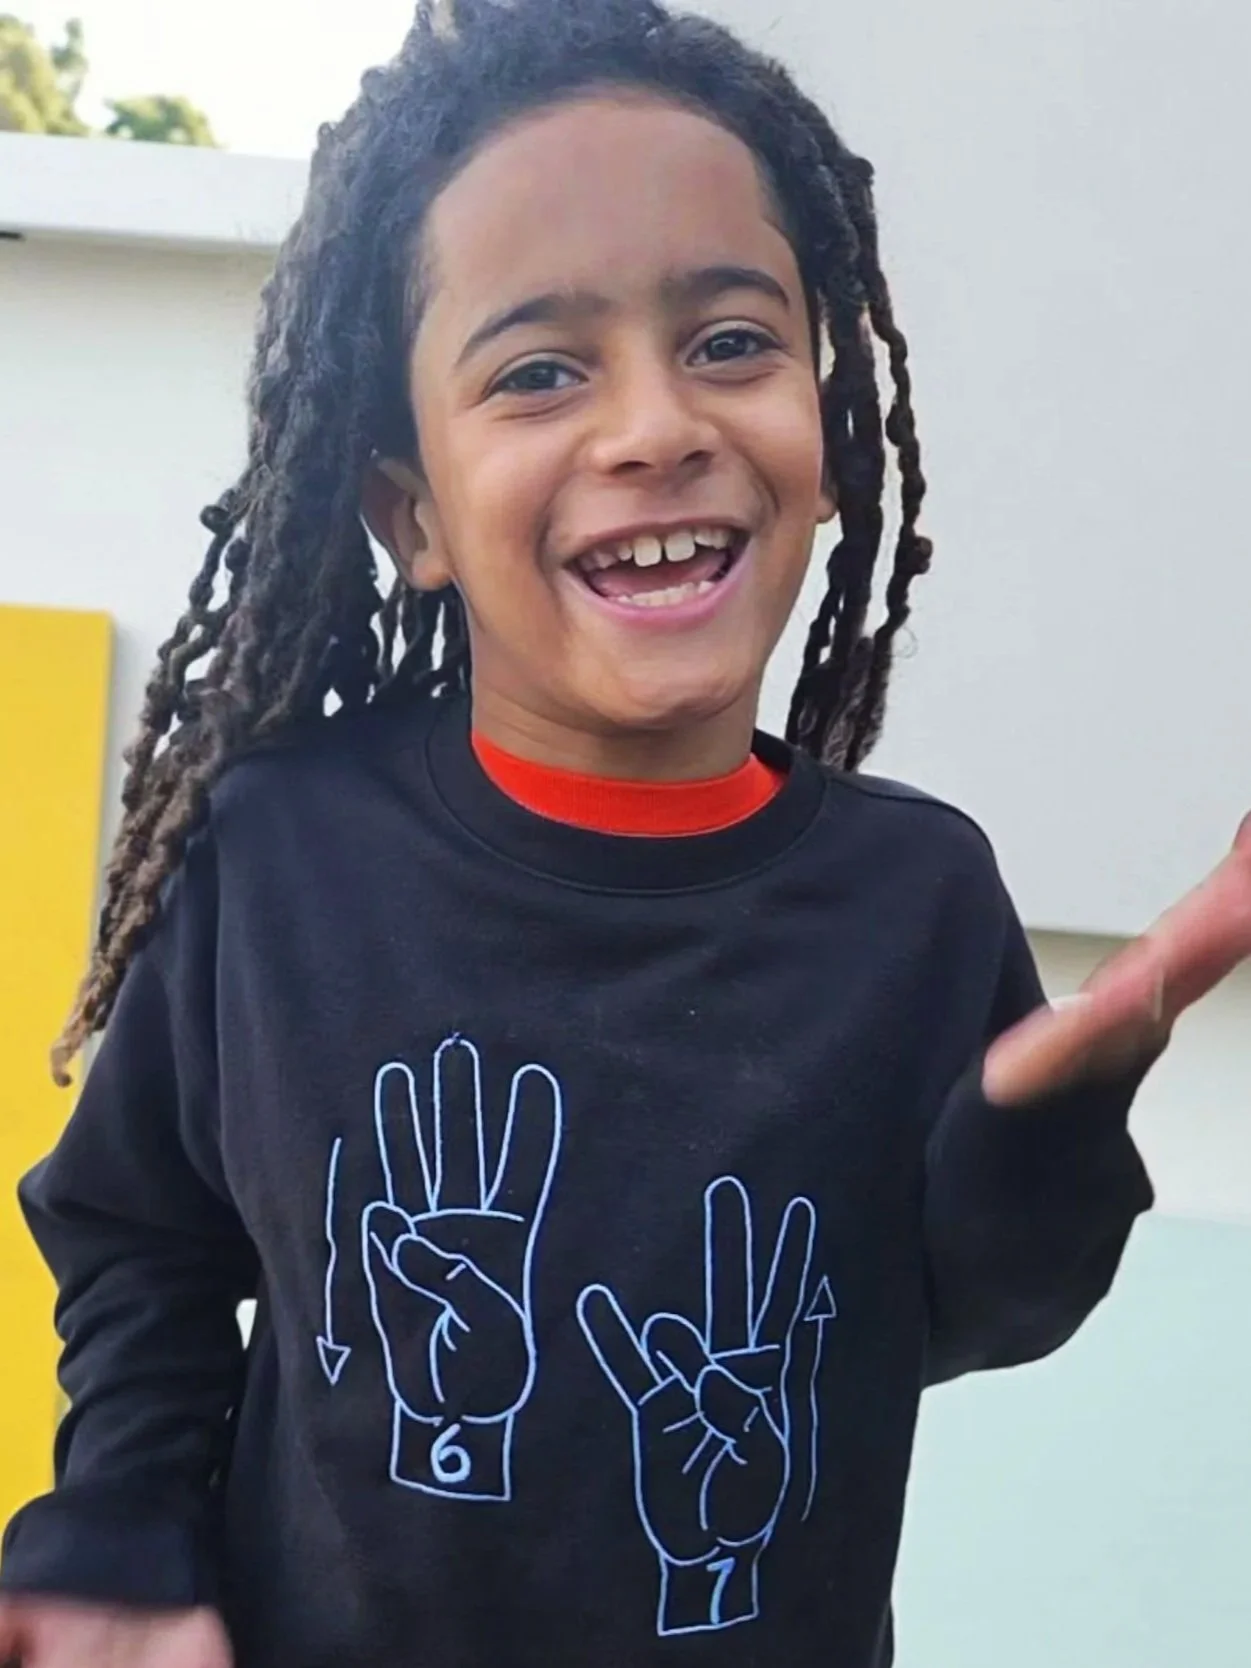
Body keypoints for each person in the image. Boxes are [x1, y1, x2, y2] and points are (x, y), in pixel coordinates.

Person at [2, 1, 1249, 1663]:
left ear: (827, 434)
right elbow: (135, 1236)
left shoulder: (915, 897)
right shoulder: (278, 861)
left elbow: (968, 1319)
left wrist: (1048, 1133)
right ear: (412, 516)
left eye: (731, 341)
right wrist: (123, 1534)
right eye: (537, 371)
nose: (655, 426)